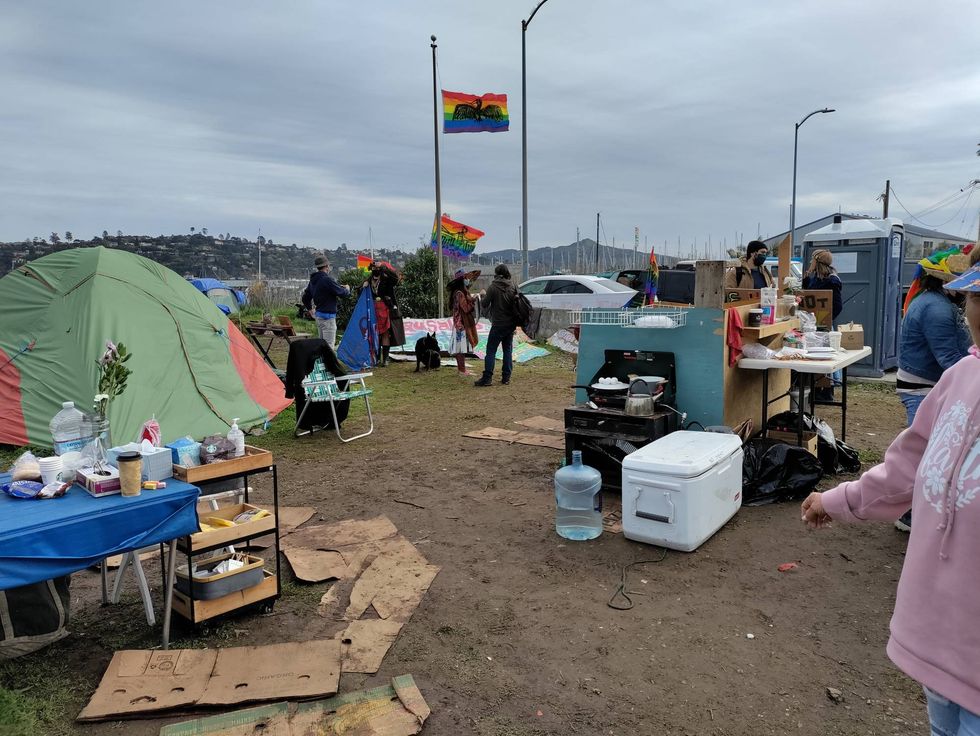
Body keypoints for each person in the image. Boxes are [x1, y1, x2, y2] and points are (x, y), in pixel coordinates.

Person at [800, 257, 980, 734]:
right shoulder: (960, 379)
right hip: (941, 648)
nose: (973, 310)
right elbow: (908, 468)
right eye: (976, 297)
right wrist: (837, 500)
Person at [892, 250, 973, 531]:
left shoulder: (928, 301)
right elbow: (948, 358)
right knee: (926, 453)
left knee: (926, 450)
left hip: (922, 384)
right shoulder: (937, 309)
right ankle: (911, 515)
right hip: (922, 387)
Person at [803, 249, 845, 403]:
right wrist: (806, 279)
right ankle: (816, 389)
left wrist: (827, 319)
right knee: (815, 356)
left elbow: (837, 305)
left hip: (824, 325)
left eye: (812, 260)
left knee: (826, 357)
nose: (810, 263)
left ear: (817, 261)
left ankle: (827, 391)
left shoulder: (832, 280)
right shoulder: (815, 278)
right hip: (813, 324)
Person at [475, 264, 517, 387]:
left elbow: (484, 304)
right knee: (507, 350)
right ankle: (506, 378)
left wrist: (482, 295)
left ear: (496, 273)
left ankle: (487, 378)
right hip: (510, 324)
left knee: (491, 351)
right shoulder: (513, 285)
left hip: (498, 324)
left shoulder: (493, 287)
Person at [301, 254, 351, 349]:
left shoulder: (313, 280)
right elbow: (342, 293)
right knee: (329, 346)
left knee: (322, 345)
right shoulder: (327, 279)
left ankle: (322, 363)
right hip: (328, 318)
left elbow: (305, 298)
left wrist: (311, 310)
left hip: (319, 317)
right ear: (327, 266)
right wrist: (347, 289)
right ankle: (328, 364)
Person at [365, 261, 405, 367]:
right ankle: (377, 358)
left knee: (385, 333)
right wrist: (363, 286)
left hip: (385, 308)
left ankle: (385, 359)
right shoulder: (369, 280)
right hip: (374, 310)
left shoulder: (386, 278)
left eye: (377, 268)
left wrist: (383, 267)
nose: (375, 270)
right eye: (373, 268)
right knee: (375, 334)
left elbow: (396, 279)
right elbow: (361, 291)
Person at [447, 268, 481, 376]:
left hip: (458, 323)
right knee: (460, 348)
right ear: (462, 280)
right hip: (461, 324)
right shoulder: (460, 293)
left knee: (460, 347)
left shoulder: (459, 292)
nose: (467, 280)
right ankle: (462, 370)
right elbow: (466, 308)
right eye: (465, 278)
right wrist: (474, 300)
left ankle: (462, 369)